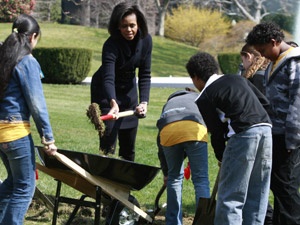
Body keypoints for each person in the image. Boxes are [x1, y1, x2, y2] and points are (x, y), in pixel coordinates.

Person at [186, 52, 273, 225]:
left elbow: (216, 133)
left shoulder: (205, 96)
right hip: (266, 130)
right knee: (257, 194)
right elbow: (264, 103)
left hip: (243, 136)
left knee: (230, 197)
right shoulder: (237, 79)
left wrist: (222, 157)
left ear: (195, 77)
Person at [0, 14, 57, 225]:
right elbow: (37, 104)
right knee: (25, 187)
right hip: (15, 133)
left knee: (13, 182)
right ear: (33, 37)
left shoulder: (3, 57)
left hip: (1, 132)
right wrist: (48, 138)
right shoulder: (27, 61)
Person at [246, 22, 300, 225]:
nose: (263, 56)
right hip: (276, 136)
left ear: (274, 41)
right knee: (278, 186)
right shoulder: (277, 62)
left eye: (263, 50)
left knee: (286, 187)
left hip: (288, 139)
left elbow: (298, 103)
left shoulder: (295, 62)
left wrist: (292, 141)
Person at [90, 2, 152, 161]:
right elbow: (108, 77)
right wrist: (113, 103)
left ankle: (124, 184)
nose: (129, 30)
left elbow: (145, 74)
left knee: (128, 148)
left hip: (128, 90)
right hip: (105, 91)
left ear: (139, 24)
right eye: (124, 26)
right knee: (108, 145)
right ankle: (103, 185)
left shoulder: (146, 41)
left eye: (132, 25)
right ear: (117, 26)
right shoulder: (111, 45)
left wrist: (144, 102)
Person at [156, 89, 210, 225]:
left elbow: (160, 143)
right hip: (194, 130)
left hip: (168, 132)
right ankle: (203, 222)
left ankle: (173, 222)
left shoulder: (169, 103)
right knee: (201, 180)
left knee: (174, 178)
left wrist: (166, 172)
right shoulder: (197, 98)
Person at [240, 43, 274, 225]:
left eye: (242, 59)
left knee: (257, 181)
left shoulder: (256, 78)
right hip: (265, 131)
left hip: (259, 131)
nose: (242, 64)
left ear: (249, 56)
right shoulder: (263, 73)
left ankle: (267, 217)